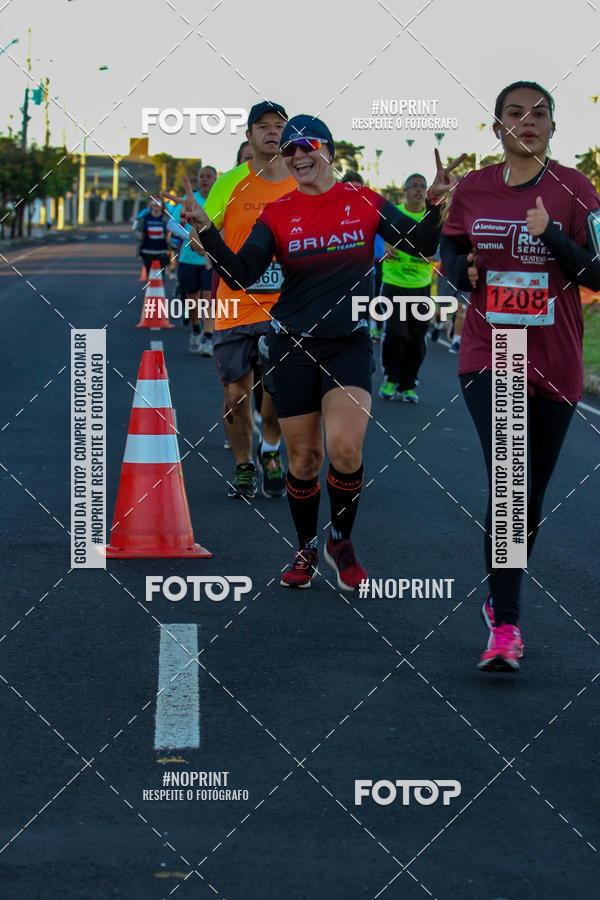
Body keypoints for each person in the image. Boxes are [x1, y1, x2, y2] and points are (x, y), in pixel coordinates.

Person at [175, 115, 463, 590]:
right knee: (305, 460)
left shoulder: (363, 201)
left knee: (347, 447)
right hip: (292, 346)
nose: (296, 155)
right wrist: (208, 232)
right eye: (288, 150)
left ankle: (340, 539)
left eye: (305, 145)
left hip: (347, 344)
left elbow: (421, 244)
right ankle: (306, 545)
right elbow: (243, 274)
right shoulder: (279, 212)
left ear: (327, 149)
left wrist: (434, 205)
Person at [441, 80, 600, 671]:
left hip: (557, 360)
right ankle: (506, 626)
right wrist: (467, 270)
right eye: (514, 113)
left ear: (555, 128)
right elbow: (453, 258)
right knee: (509, 485)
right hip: (492, 348)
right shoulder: (474, 189)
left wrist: (552, 235)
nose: (527, 122)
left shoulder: (575, 189)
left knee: (527, 501)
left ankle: (496, 599)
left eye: (539, 114)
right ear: (496, 127)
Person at [191, 101, 296, 500]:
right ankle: (244, 465)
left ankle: (270, 448)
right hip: (234, 303)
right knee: (236, 394)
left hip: (285, 307)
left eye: (279, 126)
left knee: (275, 395)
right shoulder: (230, 182)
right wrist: (199, 231)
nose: (272, 132)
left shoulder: (301, 179)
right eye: (263, 127)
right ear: (249, 136)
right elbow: (203, 232)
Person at [378, 173, 434, 403]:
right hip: (394, 284)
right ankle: (391, 378)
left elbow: (444, 244)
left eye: (423, 186)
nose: (419, 190)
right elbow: (372, 233)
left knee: (416, 338)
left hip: (421, 286)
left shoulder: (432, 218)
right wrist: (383, 246)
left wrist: (434, 254)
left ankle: (408, 385)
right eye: (414, 186)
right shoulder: (393, 213)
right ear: (405, 190)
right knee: (395, 334)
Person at [170, 166, 217, 355]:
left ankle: (208, 337)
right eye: (202, 176)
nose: (205, 180)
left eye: (209, 176)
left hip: (211, 259)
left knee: (207, 298)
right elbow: (171, 223)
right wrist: (192, 235)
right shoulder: (190, 199)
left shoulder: (219, 198)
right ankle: (196, 329)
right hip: (189, 258)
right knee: (193, 300)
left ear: (215, 179)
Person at [136, 198, 170, 280]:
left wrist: (169, 236)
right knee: (149, 273)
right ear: (151, 206)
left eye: (158, 206)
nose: (156, 208)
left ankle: (160, 291)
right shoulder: (145, 217)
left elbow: (172, 230)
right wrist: (139, 235)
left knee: (161, 274)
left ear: (161, 207)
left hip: (162, 250)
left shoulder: (166, 218)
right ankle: (150, 291)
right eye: (154, 206)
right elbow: (136, 229)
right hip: (147, 250)